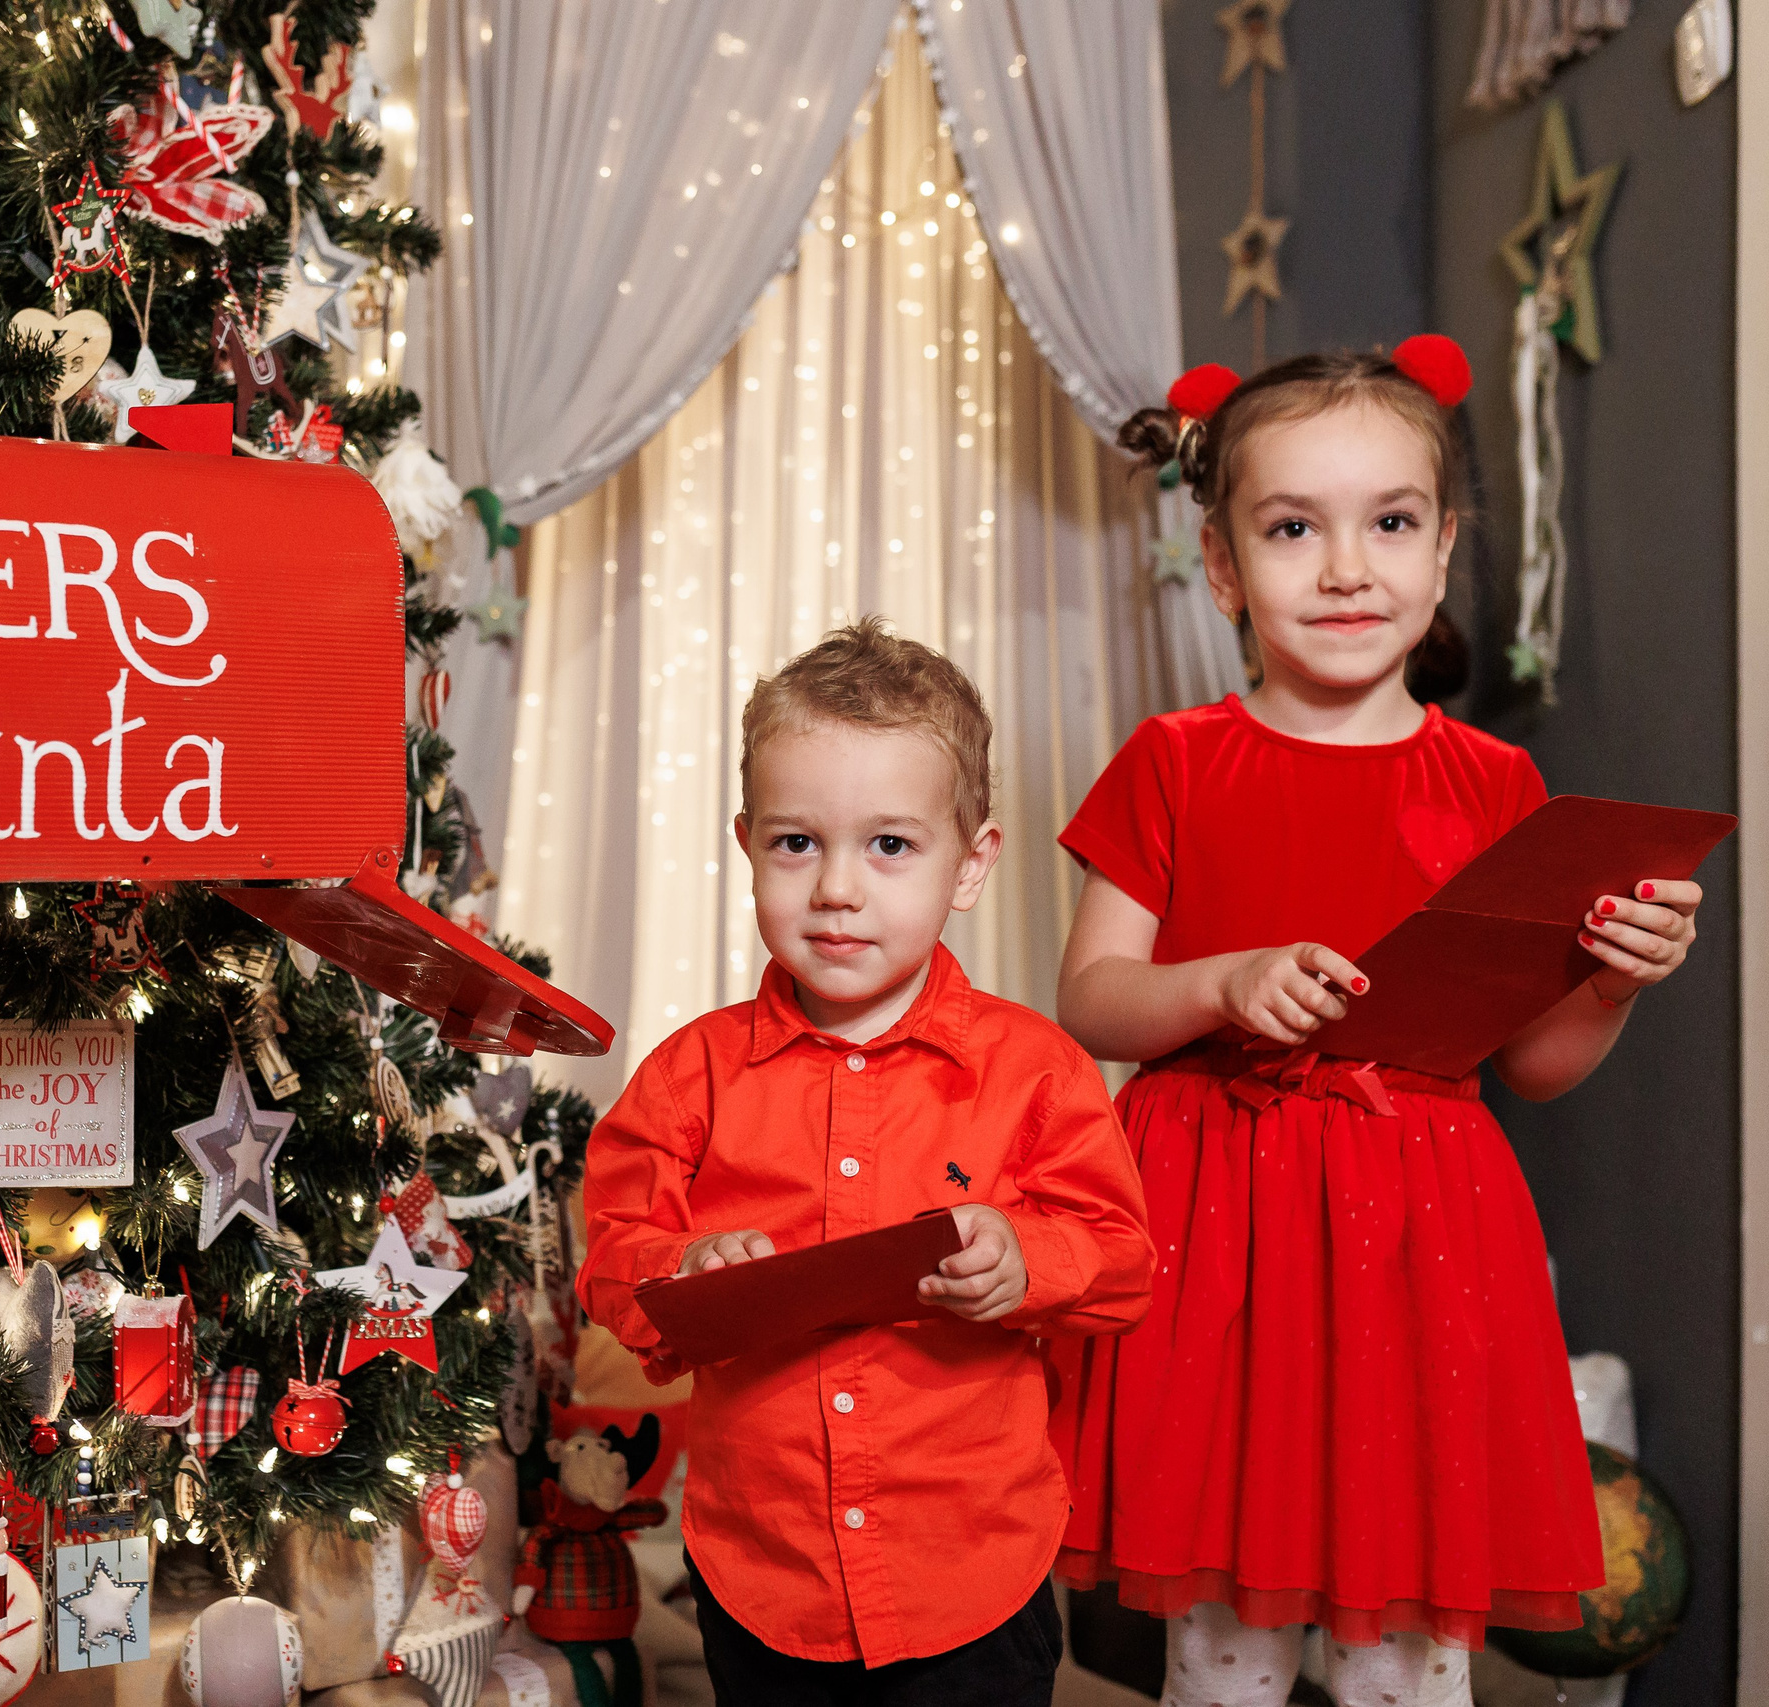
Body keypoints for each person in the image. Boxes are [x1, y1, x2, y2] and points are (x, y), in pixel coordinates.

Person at [1050, 338, 1705, 1707]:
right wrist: (1219, 982)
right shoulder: (1175, 761)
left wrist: (1610, 982)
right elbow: (1093, 996)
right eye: (1294, 527)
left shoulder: (1498, 782)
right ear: (1224, 567)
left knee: (1406, 1656)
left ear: (1444, 545)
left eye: (1390, 522)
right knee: (1220, 1645)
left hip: (1416, 1239)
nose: (1348, 567)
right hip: (1215, 1236)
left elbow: (1535, 1060)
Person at [577, 620, 1155, 1706]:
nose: (837, 887)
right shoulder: (686, 1076)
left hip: (972, 1576)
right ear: (748, 847)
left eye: (889, 845)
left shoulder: (1036, 1071)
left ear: (970, 863)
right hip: (764, 1575)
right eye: (798, 844)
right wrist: (683, 1272)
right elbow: (612, 1257)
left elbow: (1122, 1260)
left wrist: (1025, 1261)